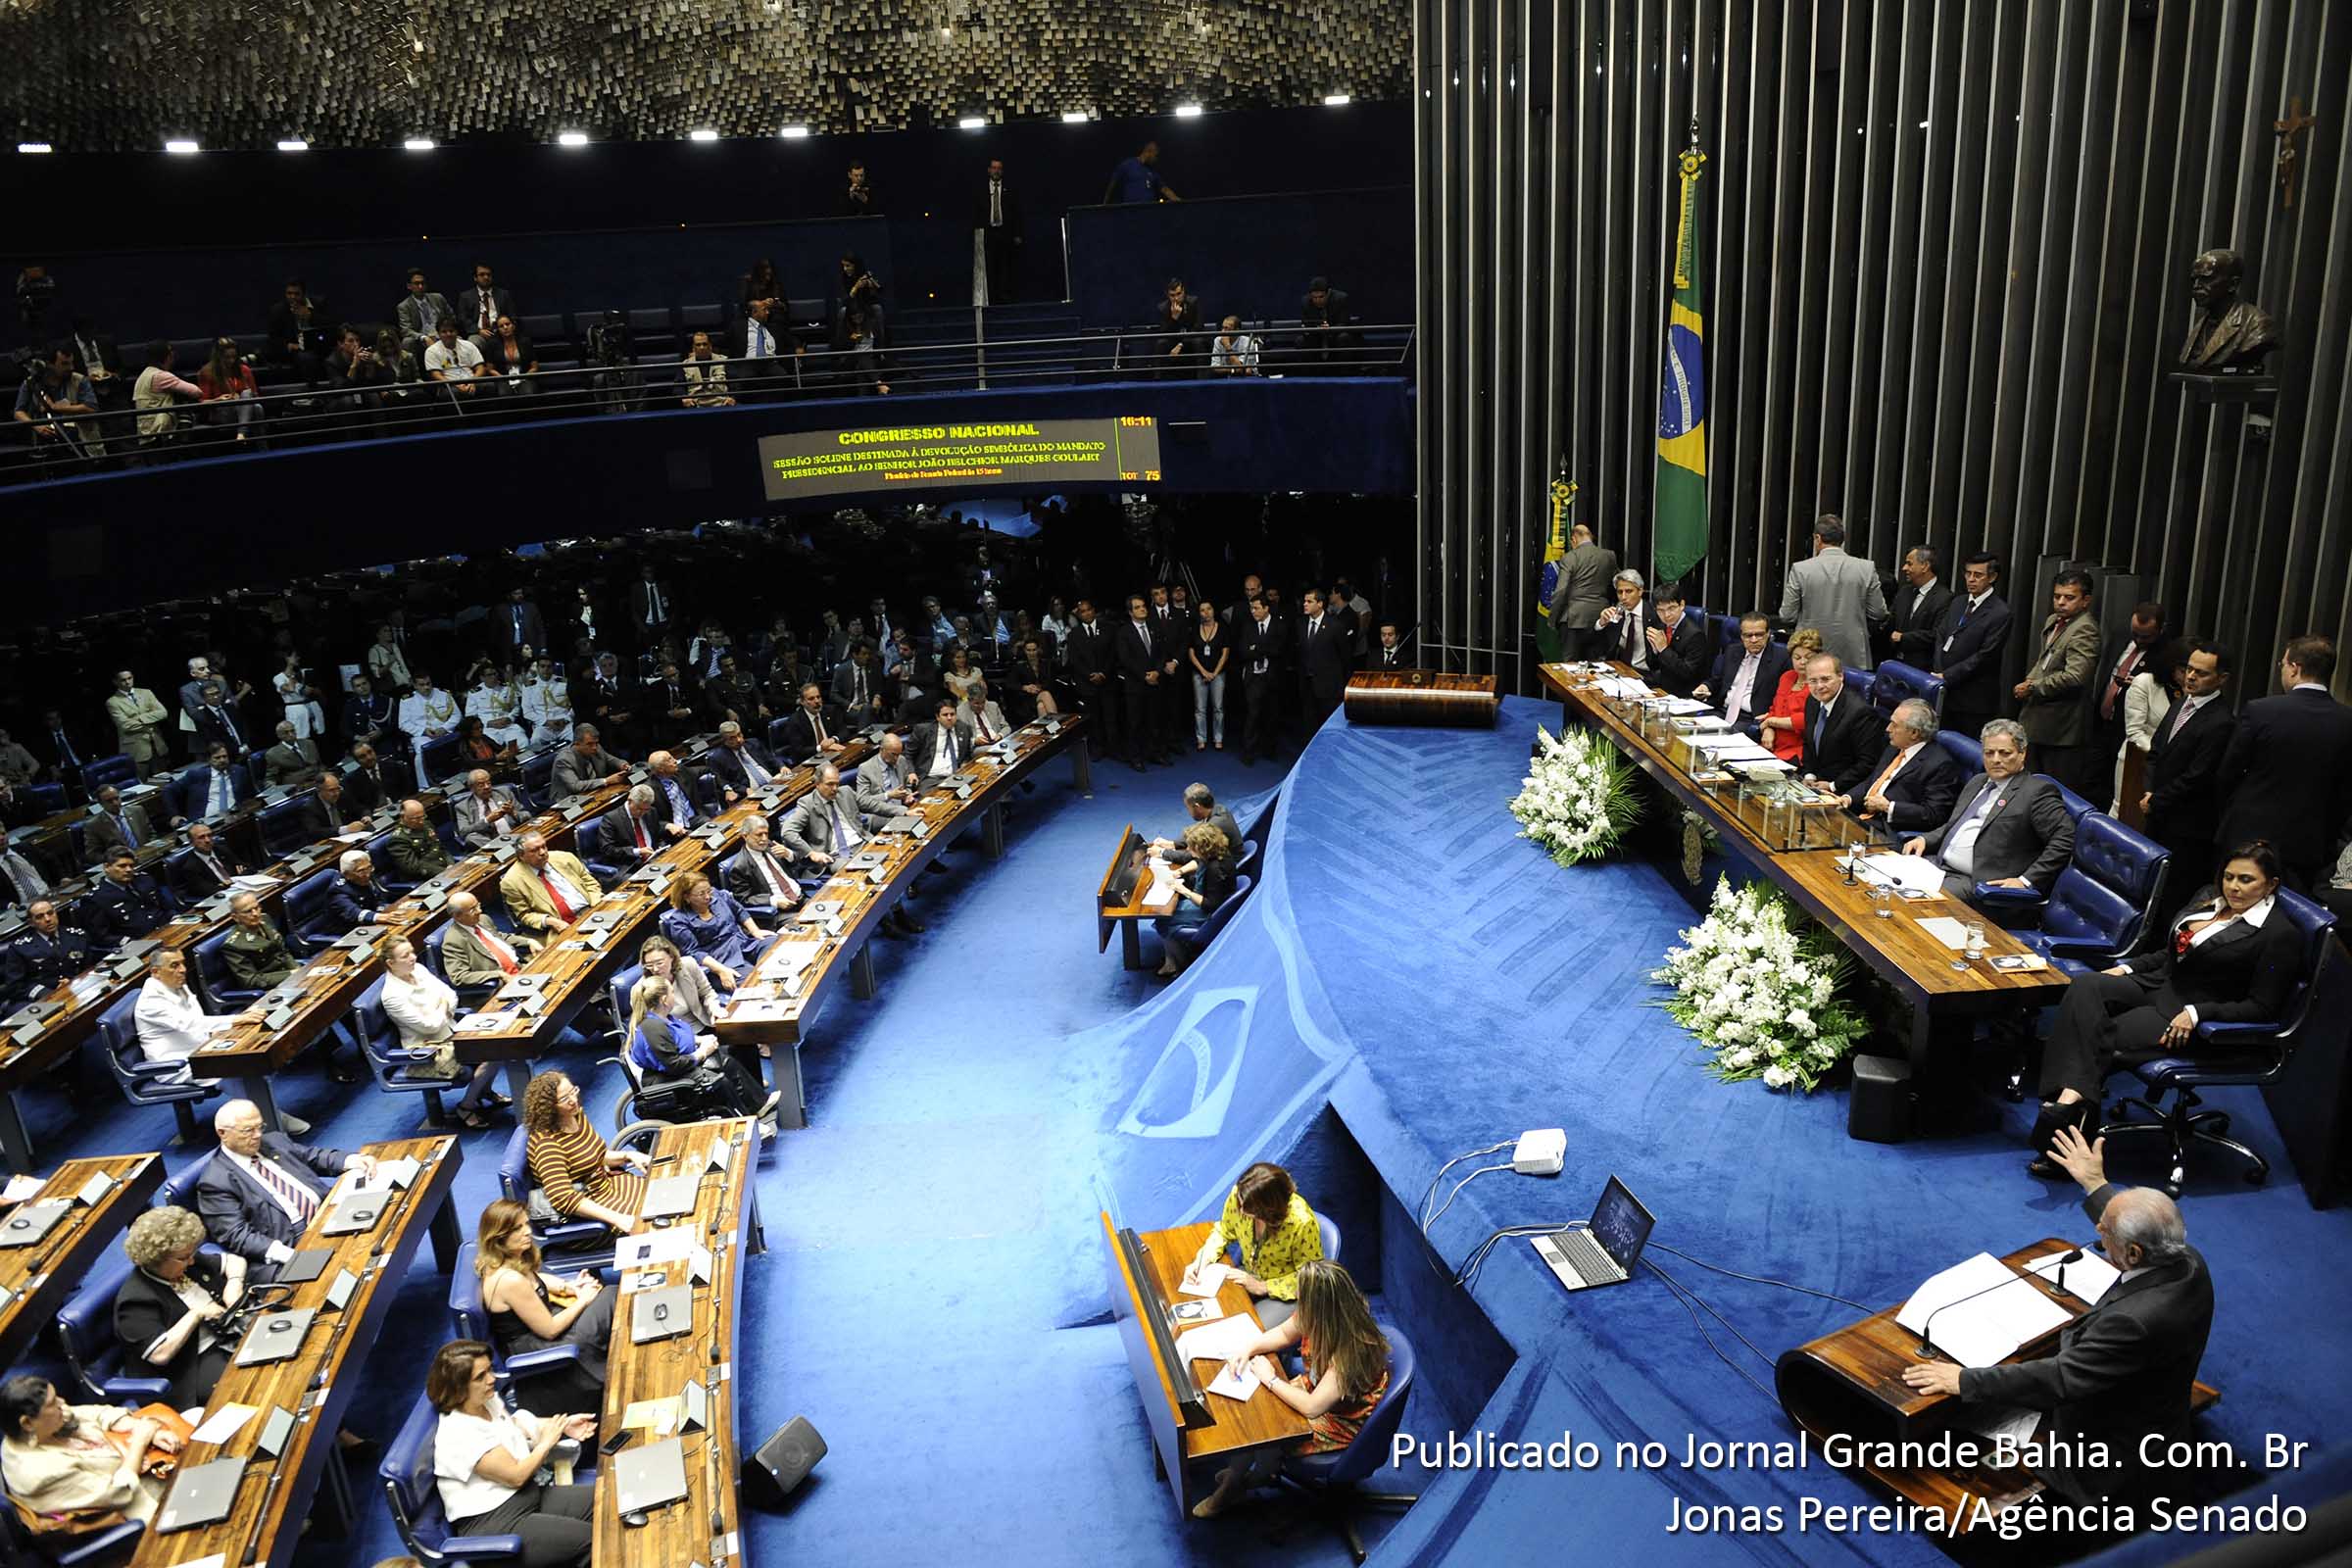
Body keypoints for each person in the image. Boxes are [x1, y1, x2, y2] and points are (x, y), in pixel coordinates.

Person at [1902, 1127, 2212, 1514]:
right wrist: (2096, 1184)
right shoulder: (2186, 1260)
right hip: (2152, 1400)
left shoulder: (2136, 1322)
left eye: (2105, 1233)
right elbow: (2134, 1227)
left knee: (1966, 1424)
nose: (2098, 1233)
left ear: (2133, 1254)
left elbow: (2060, 1379)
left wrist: (1963, 1380)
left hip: (2106, 1453)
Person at [2024, 842, 2301, 1172]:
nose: (2234, 887)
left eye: (2246, 880)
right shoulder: (2208, 899)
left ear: (2270, 885)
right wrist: (2127, 968)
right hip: (2160, 983)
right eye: (2228, 877)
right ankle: (2068, 1104)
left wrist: (2199, 1014)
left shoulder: (2279, 935)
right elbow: (2172, 953)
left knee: (2099, 1037)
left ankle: (2065, 1124)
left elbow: (2263, 1007)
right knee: (2086, 985)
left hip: (2189, 1013)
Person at [1193, 1259, 1391, 1519]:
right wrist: (1247, 1349)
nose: (1298, 1300)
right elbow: (1285, 1334)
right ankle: (1246, 1473)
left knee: (1266, 1428)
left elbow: (1312, 1408)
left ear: (1319, 1304)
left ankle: (1239, 1483)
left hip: (1339, 1418)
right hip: (1316, 1388)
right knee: (1256, 1405)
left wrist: (1271, 1379)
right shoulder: (1323, 1313)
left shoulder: (1350, 1352)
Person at [425, 1341, 596, 1567]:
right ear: (458, 1388)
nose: (492, 1379)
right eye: (480, 1377)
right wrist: (546, 1443)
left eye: (489, 1370)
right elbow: (515, 1476)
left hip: (528, 1496)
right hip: (496, 1521)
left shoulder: (485, 1401)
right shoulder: (459, 1433)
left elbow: (514, 1427)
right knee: (592, 1540)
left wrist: (562, 1425)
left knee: (604, 1499)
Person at [2215, 635, 2352, 892]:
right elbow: (2345, 794)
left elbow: (2227, 773)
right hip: (2309, 842)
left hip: (2248, 835)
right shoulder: (2347, 721)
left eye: (2283, 665)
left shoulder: (2260, 710)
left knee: (2235, 904)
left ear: (2294, 668)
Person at [1904, 720, 2078, 906]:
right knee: (1878, 877)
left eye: (2005, 753)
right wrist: (1925, 839)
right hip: (1937, 866)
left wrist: (2026, 880)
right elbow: (1956, 825)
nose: (1996, 759)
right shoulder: (1978, 782)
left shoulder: (2037, 792)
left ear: (2022, 754)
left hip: (1976, 883)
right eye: (1989, 753)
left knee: (1905, 899)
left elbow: (2065, 839)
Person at [194, 1099, 375, 1275]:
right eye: (248, 1130)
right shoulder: (215, 1182)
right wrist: (291, 1256)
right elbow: (238, 1235)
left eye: (260, 1127)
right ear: (222, 1133)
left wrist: (352, 1160)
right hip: (291, 1243)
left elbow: (312, 1156)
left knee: (382, 1218)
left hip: (327, 1213)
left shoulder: (273, 1141)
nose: (257, 1135)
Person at [472, 1200, 612, 1418]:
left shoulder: (500, 1260)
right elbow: (550, 1329)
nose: (528, 1232)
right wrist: (583, 1299)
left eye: (526, 1224)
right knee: (610, 1296)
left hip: (543, 1327)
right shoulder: (508, 1280)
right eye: (517, 1229)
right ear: (499, 1236)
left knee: (605, 1300)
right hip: (540, 1344)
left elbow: (533, 1278)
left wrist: (568, 1286)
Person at [0, 1374, 177, 1527]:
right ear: (27, 1423)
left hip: (156, 1468)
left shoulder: (46, 1424)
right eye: (53, 1403)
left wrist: (139, 1427)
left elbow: (98, 1413)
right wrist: (140, 1442)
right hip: (143, 1507)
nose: (63, 1403)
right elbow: (120, 1493)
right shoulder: (41, 1475)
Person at [113, 1204, 246, 1408]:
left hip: (226, 1334)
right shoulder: (136, 1300)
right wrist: (197, 1314)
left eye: (192, 1254)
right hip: (191, 1365)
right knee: (245, 1383)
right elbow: (160, 1354)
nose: (192, 1261)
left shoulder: (183, 1261)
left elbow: (235, 1262)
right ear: (156, 1259)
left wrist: (234, 1282)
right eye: (184, 1258)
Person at [2139, 642, 2236, 907]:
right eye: (2189, 669)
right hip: (2158, 813)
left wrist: (2157, 799)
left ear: (2222, 679)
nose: (2191, 677)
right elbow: (2156, 752)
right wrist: (2149, 791)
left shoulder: (2222, 721)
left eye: (2201, 673)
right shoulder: (2181, 703)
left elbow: (2198, 776)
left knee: (2172, 895)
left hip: (2187, 826)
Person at [381, 936, 504, 1129]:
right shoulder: (392, 995)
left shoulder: (419, 970)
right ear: (391, 963)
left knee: (499, 1042)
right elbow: (429, 1027)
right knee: (492, 1054)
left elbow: (450, 995)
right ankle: (466, 1106)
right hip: (428, 1049)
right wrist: (442, 1007)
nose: (413, 958)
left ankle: (484, 1091)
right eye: (405, 956)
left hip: (451, 1030)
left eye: (412, 952)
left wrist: (441, 1006)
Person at [1185, 1162, 1325, 1329]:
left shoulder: (1301, 1223)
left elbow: (1310, 1279)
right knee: (1207, 1314)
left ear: (1268, 1208)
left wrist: (1262, 1287)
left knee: (1246, 1332)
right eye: (1239, 1202)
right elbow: (1224, 1230)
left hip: (1285, 1293)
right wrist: (1202, 1260)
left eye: (1247, 1208)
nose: (1240, 1209)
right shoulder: (1241, 1195)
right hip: (1249, 1274)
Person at [625, 975, 775, 1125]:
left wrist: (701, 1040)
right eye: (672, 992)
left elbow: (676, 1038)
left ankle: (758, 1105)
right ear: (664, 1000)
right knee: (720, 1082)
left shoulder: (664, 1017)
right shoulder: (653, 1027)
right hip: (667, 1078)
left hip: (676, 1069)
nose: (674, 995)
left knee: (728, 1060)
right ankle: (746, 1124)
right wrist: (703, 1052)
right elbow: (674, 1065)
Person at [2014, 568, 2104, 799]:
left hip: (2062, 728)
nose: (2061, 602)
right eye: (2057, 596)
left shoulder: (2085, 629)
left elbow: (2076, 676)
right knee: (2029, 787)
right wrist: (2029, 681)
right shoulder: (2054, 621)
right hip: (2038, 719)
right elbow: (2044, 660)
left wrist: (2033, 686)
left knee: (2054, 794)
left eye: (2069, 597)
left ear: (2086, 600)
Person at [521, 1071, 645, 1235]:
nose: (573, 1100)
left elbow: (596, 1156)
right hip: (590, 1210)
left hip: (607, 1186)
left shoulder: (575, 1115)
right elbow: (564, 1198)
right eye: (564, 1099)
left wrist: (628, 1156)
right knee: (653, 1217)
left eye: (573, 1091)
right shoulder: (548, 1145)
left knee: (661, 1193)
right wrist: (617, 1218)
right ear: (548, 1107)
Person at [1828, 699, 1963, 830]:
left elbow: (1934, 815)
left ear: (1914, 733)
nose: (1888, 729)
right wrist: (1847, 799)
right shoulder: (1895, 746)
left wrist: (1888, 807)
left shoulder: (1940, 765)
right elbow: (1873, 781)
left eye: (1895, 725)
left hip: (1886, 829)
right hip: (1860, 817)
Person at [1777, 514, 1887, 671]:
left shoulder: (1801, 569)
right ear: (1841, 539)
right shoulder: (1866, 568)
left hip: (1810, 651)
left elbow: (1787, 615)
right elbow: (1878, 612)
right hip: (1853, 654)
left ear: (1818, 538)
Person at [658, 870, 768, 989]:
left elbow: (739, 911)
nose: (708, 897)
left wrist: (755, 931)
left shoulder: (717, 895)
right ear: (686, 897)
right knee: (757, 982)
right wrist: (721, 970)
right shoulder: (679, 921)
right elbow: (693, 952)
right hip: (722, 961)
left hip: (745, 944)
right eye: (701, 894)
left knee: (778, 947)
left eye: (708, 891)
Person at [1152, 820, 1234, 977]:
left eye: (1191, 846)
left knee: (1163, 918)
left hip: (1210, 913)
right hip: (1208, 901)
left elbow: (1210, 905)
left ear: (1202, 847)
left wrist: (1183, 890)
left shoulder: (1215, 870)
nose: (1188, 849)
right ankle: (1171, 959)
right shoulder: (1218, 852)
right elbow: (1197, 862)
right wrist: (1179, 872)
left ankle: (1181, 966)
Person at [1693, 612, 1791, 735]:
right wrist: (1706, 686)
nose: (1754, 640)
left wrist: (1770, 723)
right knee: (1688, 730)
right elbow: (1717, 680)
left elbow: (1785, 696)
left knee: (1720, 739)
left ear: (1768, 634)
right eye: (1748, 635)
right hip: (1722, 711)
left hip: (1751, 718)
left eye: (1759, 635)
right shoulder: (1733, 651)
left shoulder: (1781, 657)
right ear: (1741, 636)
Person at [1795, 654, 1879, 796]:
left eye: (1825, 679)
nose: (1819, 686)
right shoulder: (1813, 700)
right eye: (1813, 681)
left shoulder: (1860, 712)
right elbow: (1809, 743)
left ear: (1841, 676)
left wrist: (1833, 785)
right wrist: (1809, 775)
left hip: (1843, 790)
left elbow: (1867, 763)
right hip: (1815, 784)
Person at [500, 832, 603, 937]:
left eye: (544, 846)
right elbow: (524, 915)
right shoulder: (511, 881)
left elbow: (589, 882)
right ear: (521, 856)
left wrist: (596, 902)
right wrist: (550, 921)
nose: (542, 852)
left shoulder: (565, 857)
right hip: (561, 925)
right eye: (534, 850)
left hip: (592, 909)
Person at [2, 900, 91, 1004]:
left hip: (79, 990)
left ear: (56, 913)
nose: (48, 919)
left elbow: (89, 966)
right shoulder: (20, 948)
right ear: (31, 923)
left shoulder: (77, 936)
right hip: (43, 999)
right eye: (40, 917)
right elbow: (15, 986)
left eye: (50, 913)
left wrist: (73, 982)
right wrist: (48, 993)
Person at [84, 847, 176, 942]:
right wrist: (130, 942)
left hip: (167, 929)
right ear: (107, 867)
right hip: (139, 942)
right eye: (122, 866)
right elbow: (101, 936)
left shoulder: (144, 880)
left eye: (131, 866)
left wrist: (175, 917)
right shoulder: (96, 899)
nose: (128, 870)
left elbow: (166, 907)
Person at [220, 890, 302, 993]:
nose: (255, 914)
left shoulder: (265, 919)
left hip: (291, 977)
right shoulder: (234, 945)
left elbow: (283, 952)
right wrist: (291, 974)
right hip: (270, 988)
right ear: (235, 917)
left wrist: (299, 971)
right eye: (248, 911)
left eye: (257, 907)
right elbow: (250, 980)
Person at [1296, 588, 1351, 737]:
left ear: (1320, 604)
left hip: (1329, 687)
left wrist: (1343, 684)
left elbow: (1345, 657)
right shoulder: (1300, 624)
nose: (1305, 604)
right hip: (1307, 685)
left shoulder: (1335, 625)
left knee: (1330, 727)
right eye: (1304, 601)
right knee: (1309, 725)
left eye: (1309, 601)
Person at [722, 819, 803, 919]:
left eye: (766, 834)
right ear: (745, 836)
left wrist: (788, 854)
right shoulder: (740, 866)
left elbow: (797, 863)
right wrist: (774, 901)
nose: (764, 838)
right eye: (759, 835)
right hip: (779, 913)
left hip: (801, 898)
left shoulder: (771, 845)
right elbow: (743, 899)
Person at [1643, 581, 1710, 698]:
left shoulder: (1695, 634)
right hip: (1660, 686)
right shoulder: (1660, 626)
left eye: (1671, 608)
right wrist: (1655, 650)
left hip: (1683, 693)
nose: (1667, 615)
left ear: (1682, 605)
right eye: (1661, 610)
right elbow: (1652, 666)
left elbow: (1687, 673)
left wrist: (1663, 649)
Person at [1885, 545, 1950, 662]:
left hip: (1922, 668)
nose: (1904, 568)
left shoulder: (1945, 598)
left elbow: (1937, 634)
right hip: (1895, 662)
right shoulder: (1904, 592)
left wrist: (1904, 638)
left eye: (1909, 564)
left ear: (1925, 566)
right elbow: (1891, 621)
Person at [1592, 568, 1660, 675]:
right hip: (1617, 669)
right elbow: (1597, 645)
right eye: (1620, 592)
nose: (1623, 597)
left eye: (1629, 591)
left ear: (1640, 591)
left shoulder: (1654, 614)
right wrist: (1601, 623)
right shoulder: (1616, 613)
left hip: (1645, 673)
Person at [132, 338, 202, 443]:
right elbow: (196, 392)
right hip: (159, 435)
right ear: (168, 356)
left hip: (146, 434)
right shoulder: (161, 376)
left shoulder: (143, 375)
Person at [107, 669, 173, 778]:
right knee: (142, 783)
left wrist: (139, 719)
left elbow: (163, 713)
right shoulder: (113, 702)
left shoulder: (146, 693)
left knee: (165, 780)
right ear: (115, 682)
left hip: (157, 744)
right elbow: (125, 725)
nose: (128, 682)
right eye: (123, 680)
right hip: (136, 749)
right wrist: (151, 719)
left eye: (130, 678)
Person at [973, 157, 1022, 302]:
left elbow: (1017, 213)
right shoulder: (980, 190)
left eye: (999, 168)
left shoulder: (1010, 190)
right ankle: (991, 297)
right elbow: (975, 213)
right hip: (988, 234)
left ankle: (1005, 296)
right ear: (989, 170)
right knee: (989, 266)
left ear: (1002, 171)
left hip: (1005, 233)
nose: (996, 171)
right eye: (994, 168)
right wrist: (977, 235)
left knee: (1005, 266)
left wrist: (1018, 234)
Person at [197, 336, 262, 442]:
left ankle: (242, 435)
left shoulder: (244, 370)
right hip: (221, 412)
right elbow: (202, 402)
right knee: (255, 407)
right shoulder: (207, 372)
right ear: (218, 357)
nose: (231, 361)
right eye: (227, 357)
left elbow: (256, 396)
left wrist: (242, 398)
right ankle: (247, 437)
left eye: (234, 357)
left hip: (243, 410)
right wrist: (219, 399)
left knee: (253, 401)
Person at [1188, 600, 1231, 751]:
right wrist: (1204, 672)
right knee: (1200, 709)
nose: (1206, 612)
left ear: (1214, 610)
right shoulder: (1195, 629)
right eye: (1202, 610)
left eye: (1208, 609)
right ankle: (1201, 738)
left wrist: (1214, 673)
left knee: (1218, 708)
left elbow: (1225, 654)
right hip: (1199, 673)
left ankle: (1218, 738)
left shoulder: (1223, 629)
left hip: (1218, 674)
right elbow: (1191, 653)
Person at [267, 279, 324, 383]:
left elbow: (330, 324)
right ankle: (313, 390)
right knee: (306, 357)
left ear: (304, 294)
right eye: (289, 293)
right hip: (296, 350)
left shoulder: (319, 304)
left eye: (296, 294)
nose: (292, 297)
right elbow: (273, 338)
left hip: (320, 345)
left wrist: (311, 317)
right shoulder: (278, 310)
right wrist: (289, 345)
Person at [171, 820, 243, 903]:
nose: (207, 840)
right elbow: (208, 891)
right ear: (191, 842)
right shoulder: (190, 867)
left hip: (241, 891)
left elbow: (249, 868)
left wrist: (228, 882)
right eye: (201, 837)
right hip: (220, 900)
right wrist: (237, 880)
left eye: (209, 835)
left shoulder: (222, 850)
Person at [454, 767, 527, 850]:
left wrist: (513, 813)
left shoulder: (504, 792)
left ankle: (509, 848)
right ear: (472, 788)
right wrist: (487, 820)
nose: (487, 787)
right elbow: (463, 832)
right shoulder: (462, 807)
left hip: (514, 835)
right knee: (471, 838)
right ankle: (503, 849)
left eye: (488, 783)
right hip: (488, 843)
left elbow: (527, 815)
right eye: (481, 785)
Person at [383, 797, 453, 884]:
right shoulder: (398, 839)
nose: (421, 821)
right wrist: (443, 872)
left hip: (445, 870)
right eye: (416, 818)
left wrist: (451, 865)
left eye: (423, 816)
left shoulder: (427, 825)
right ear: (402, 817)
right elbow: (414, 867)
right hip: (424, 879)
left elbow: (441, 848)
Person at [548, 725, 627, 800]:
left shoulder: (596, 747)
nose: (594, 747)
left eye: (596, 743)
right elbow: (575, 786)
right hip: (569, 799)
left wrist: (622, 765)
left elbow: (610, 759)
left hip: (595, 791)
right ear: (577, 743)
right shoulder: (564, 760)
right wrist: (606, 781)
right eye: (589, 744)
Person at [779, 680, 850, 761]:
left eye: (818, 697)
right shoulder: (794, 721)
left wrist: (832, 740)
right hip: (812, 760)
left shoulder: (831, 711)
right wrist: (821, 747)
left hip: (835, 753)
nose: (817, 701)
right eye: (811, 699)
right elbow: (799, 750)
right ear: (802, 702)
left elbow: (844, 731)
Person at [323, 849, 390, 932]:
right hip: (349, 931)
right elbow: (354, 913)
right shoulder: (337, 890)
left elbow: (378, 898)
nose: (368, 874)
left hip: (371, 922)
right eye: (361, 871)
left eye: (369, 867)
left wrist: (384, 911)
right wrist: (379, 917)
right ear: (347, 874)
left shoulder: (365, 876)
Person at [1004, 637, 1063, 725]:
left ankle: (1048, 734)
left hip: (1044, 694)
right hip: (1028, 699)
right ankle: (1058, 728)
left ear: (1038, 650)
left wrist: (1039, 688)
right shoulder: (1019, 667)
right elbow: (1009, 684)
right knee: (1045, 695)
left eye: (1034, 650)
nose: (1031, 653)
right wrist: (1025, 687)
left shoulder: (1047, 664)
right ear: (1025, 651)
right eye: (1029, 650)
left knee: (1041, 707)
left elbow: (1052, 682)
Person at [395, 270, 453, 356]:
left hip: (442, 334)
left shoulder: (438, 298)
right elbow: (406, 330)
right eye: (417, 283)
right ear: (409, 286)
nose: (421, 286)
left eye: (423, 283)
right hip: (422, 340)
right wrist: (424, 337)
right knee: (407, 342)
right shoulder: (404, 306)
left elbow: (451, 317)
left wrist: (446, 332)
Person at [456, 265, 516, 346]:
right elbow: (462, 319)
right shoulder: (466, 297)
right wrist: (478, 331)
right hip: (478, 334)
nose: (486, 277)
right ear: (475, 278)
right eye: (482, 275)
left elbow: (512, 316)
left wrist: (503, 329)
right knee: (473, 343)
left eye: (488, 275)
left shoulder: (503, 294)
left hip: (501, 333)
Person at [1103, 139, 1179, 204]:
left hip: (1148, 211)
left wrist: (1179, 201)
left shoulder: (1153, 172)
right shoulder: (1128, 164)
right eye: (1156, 156)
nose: (1156, 159)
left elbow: (1165, 189)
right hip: (1131, 211)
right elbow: (1113, 183)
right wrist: (1105, 203)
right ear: (1149, 152)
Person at [262, 720, 320, 788]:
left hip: (319, 780)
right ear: (278, 735)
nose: (291, 734)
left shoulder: (309, 743)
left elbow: (319, 764)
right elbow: (271, 778)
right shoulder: (273, 754)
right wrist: (272, 788)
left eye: (292, 731)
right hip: (297, 786)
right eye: (286, 732)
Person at [681, 331, 734, 407]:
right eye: (698, 345)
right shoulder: (685, 365)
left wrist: (732, 397)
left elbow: (735, 382)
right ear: (693, 347)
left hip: (722, 404)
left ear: (710, 346)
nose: (702, 347)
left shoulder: (723, 361)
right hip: (695, 405)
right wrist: (684, 398)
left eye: (704, 344)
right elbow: (678, 387)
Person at [958, 678, 1010, 745]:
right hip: (978, 747)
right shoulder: (960, 712)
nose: (981, 706)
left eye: (983, 702)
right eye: (976, 703)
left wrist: (1000, 735)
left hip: (998, 741)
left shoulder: (993, 706)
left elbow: (1006, 727)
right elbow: (959, 739)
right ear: (969, 700)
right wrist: (974, 741)